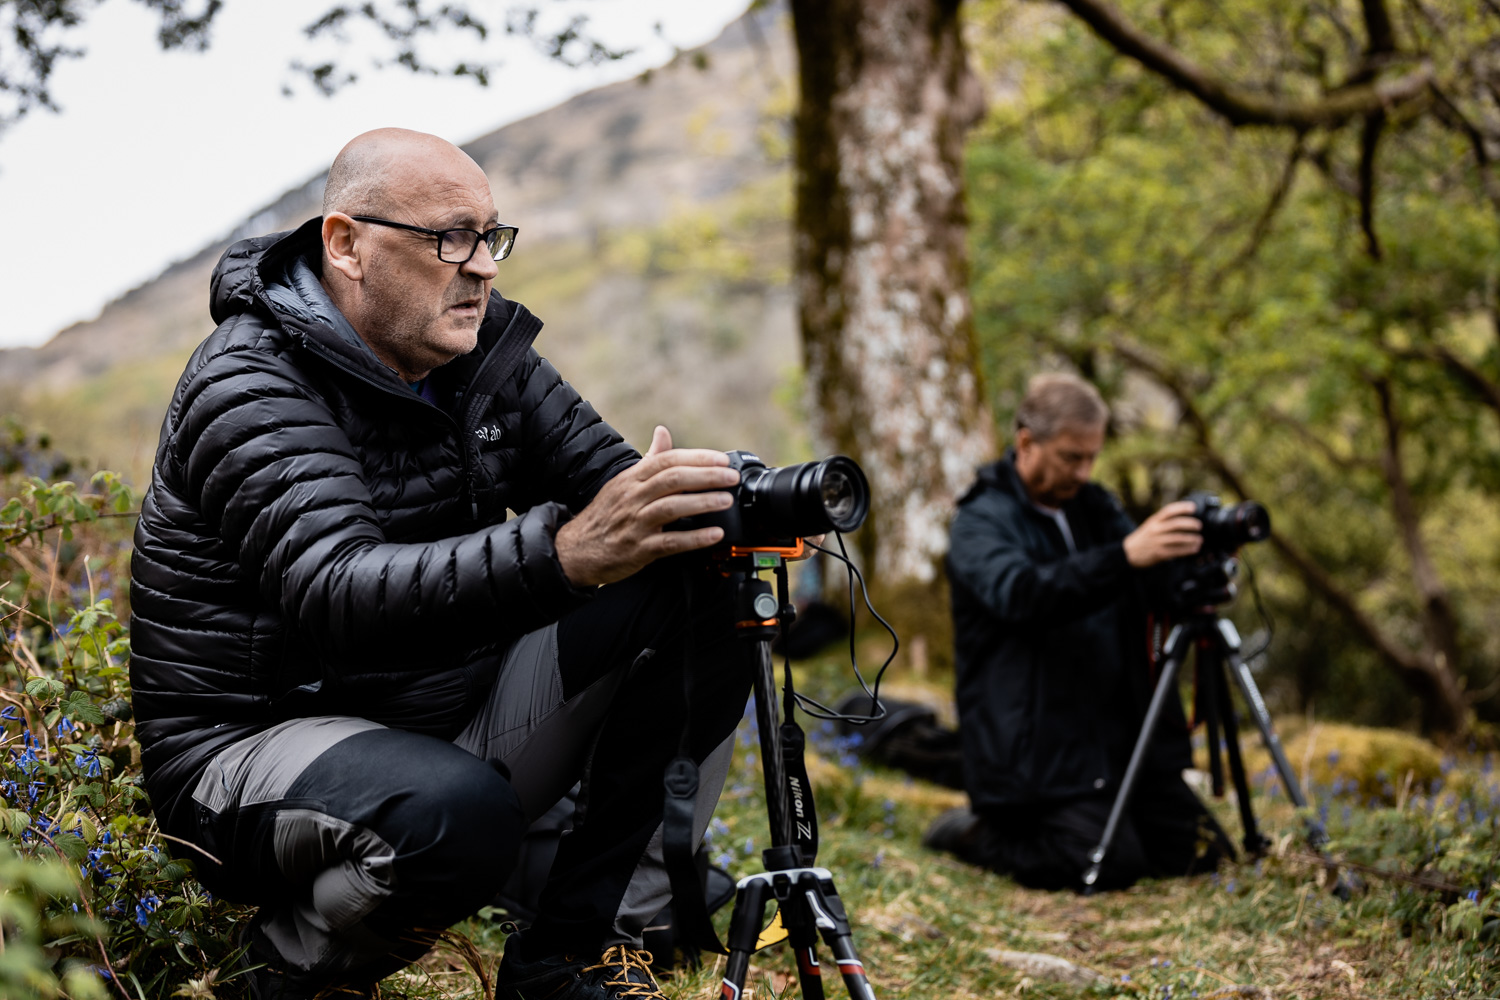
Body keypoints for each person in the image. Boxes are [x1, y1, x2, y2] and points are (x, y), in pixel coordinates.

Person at [129, 128, 757, 1000]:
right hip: (250, 754)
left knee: (704, 575)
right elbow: (337, 591)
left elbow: (613, 492)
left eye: (491, 237)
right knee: (451, 817)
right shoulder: (249, 380)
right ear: (345, 243)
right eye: (448, 238)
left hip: (446, 718)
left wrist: (715, 504)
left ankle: (574, 955)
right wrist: (569, 552)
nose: (484, 268)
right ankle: (275, 977)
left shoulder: (480, 353)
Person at [927, 372, 1234, 891]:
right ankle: (969, 833)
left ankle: (1111, 817)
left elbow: (1145, 583)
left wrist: (1201, 565)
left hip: (1112, 741)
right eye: (1072, 457)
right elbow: (1024, 594)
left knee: (1202, 852)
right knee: (1108, 865)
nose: (1084, 470)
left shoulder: (1093, 506)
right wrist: (1125, 555)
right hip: (1035, 752)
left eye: (1092, 456)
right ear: (1026, 442)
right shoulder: (980, 521)